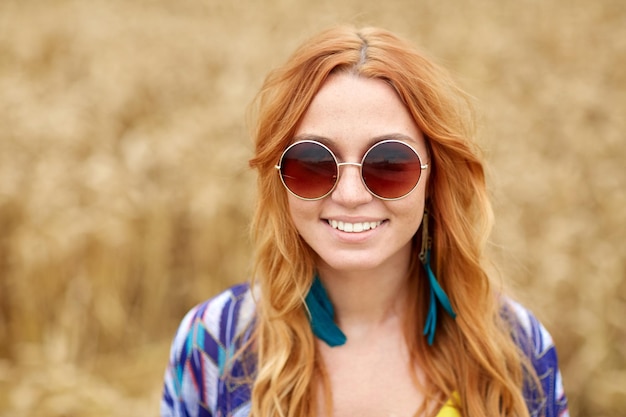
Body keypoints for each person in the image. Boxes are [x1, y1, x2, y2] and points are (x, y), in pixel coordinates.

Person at [160, 26, 569, 417]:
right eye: (314, 162)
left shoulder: (514, 351)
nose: (351, 195)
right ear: (279, 179)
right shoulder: (214, 340)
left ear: (434, 178)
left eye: (390, 163)